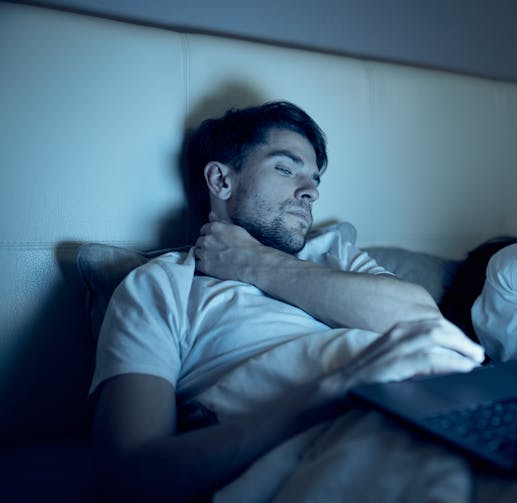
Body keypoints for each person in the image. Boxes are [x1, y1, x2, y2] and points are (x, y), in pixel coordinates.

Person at [90, 101, 485, 502]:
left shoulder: (335, 255)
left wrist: (256, 263)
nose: (310, 191)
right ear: (221, 181)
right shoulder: (160, 285)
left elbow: (423, 321)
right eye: (285, 168)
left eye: (313, 178)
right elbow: (128, 475)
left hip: (454, 410)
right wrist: (332, 391)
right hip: (346, 437)